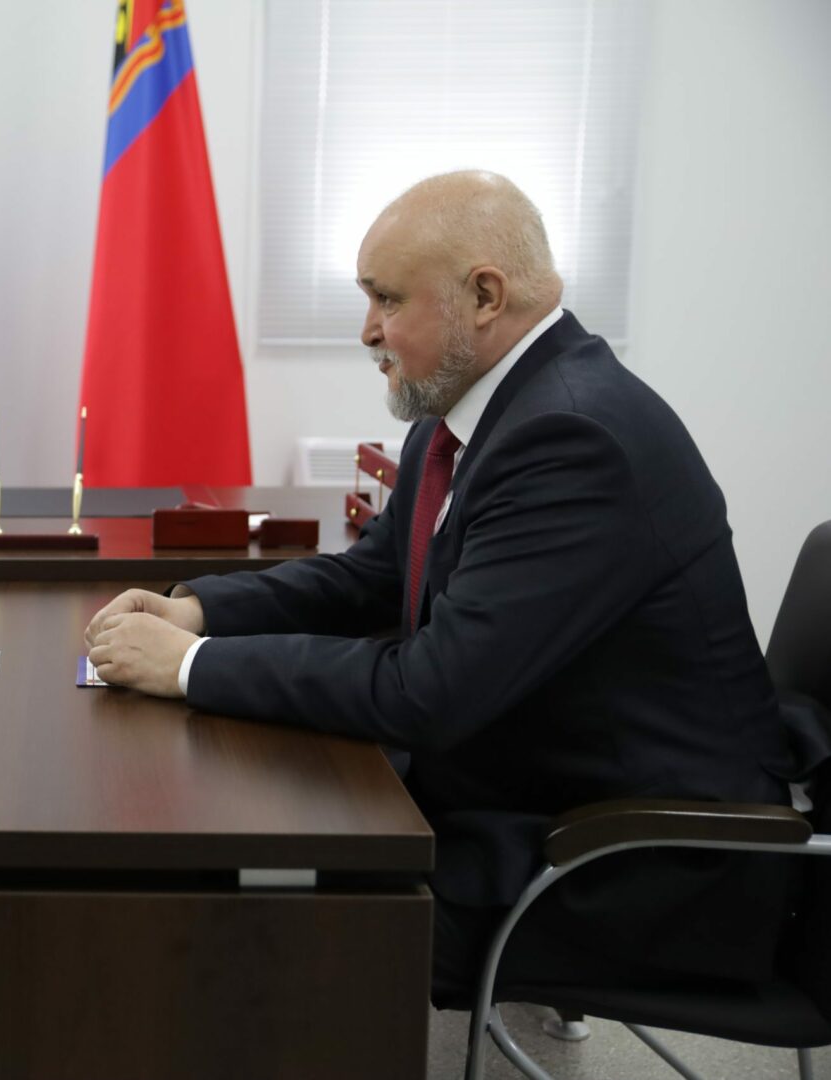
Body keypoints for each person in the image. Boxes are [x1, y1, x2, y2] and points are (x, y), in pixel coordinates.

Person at [85, 170, 799, 1002]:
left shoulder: (573, 439)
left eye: (387, 299)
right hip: (535, 783)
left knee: (259, 914)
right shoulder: (472, 411)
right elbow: (376, 574)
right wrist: (201, 609)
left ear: (484, 297)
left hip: (634, 865)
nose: (367, 330)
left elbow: (427, 692)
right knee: (254, 826)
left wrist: (188, 666)